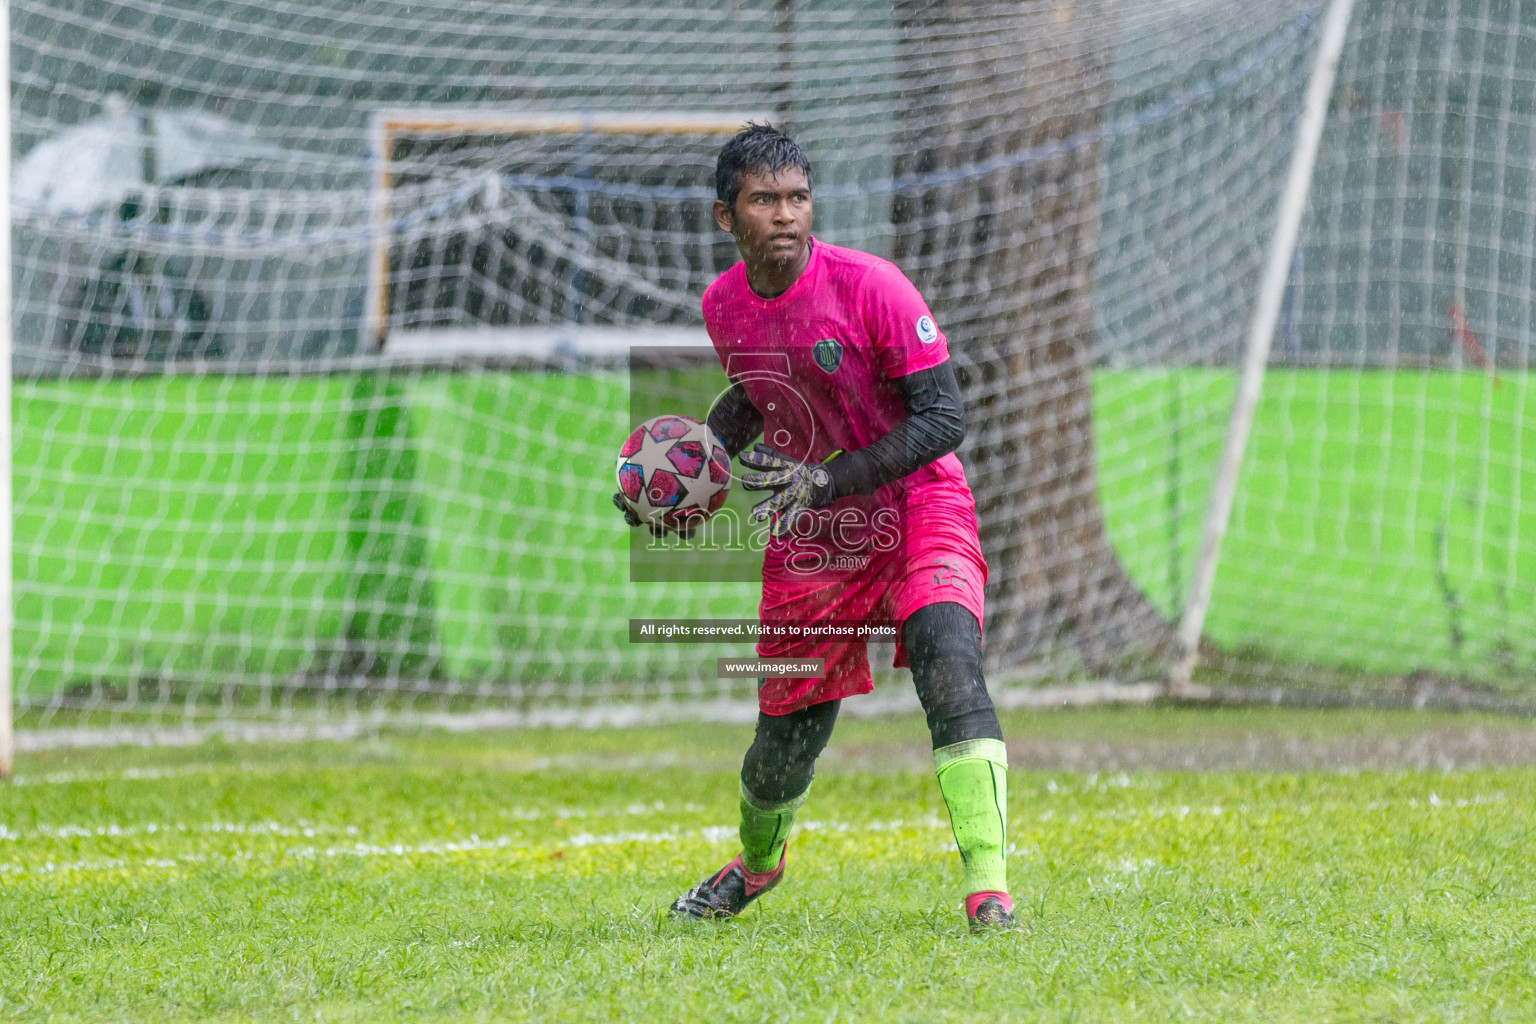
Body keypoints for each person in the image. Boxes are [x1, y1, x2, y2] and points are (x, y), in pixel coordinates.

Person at [613, 123, 1012, 932]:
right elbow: (761, 398)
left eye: (798, 197)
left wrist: (832, 476)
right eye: (766, 200)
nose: (786, 215)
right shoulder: (723, 305)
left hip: (915, 505)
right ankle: (757, 868)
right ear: (727, 217)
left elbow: (944, 419)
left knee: (949, 661)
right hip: (815, 538)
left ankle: (989, 891)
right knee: (782, 746)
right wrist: (686, 473)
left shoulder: (873, 286)